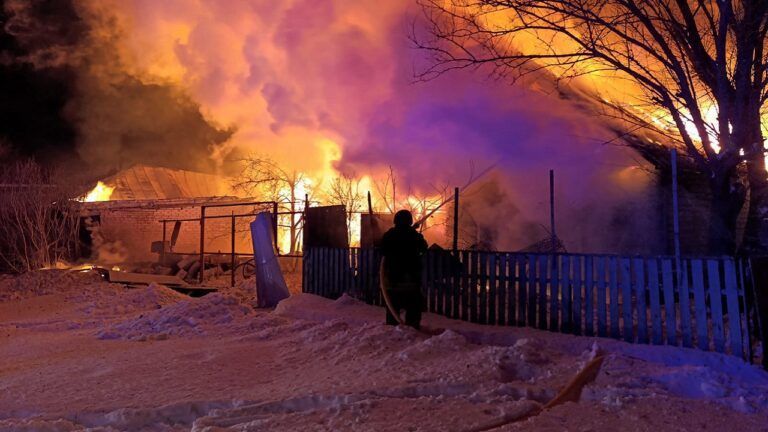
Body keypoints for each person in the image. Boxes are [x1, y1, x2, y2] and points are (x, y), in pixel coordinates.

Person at [380, 209, 428, 329]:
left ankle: (392, 329)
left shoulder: (389, 235)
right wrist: (413, 233)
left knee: (393, 308)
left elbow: (382, 250)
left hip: (393, 280)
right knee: (413, 308)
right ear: (410, 221)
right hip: (411, 279)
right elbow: (424, 248)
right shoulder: (414, 236)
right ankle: (413, 329)